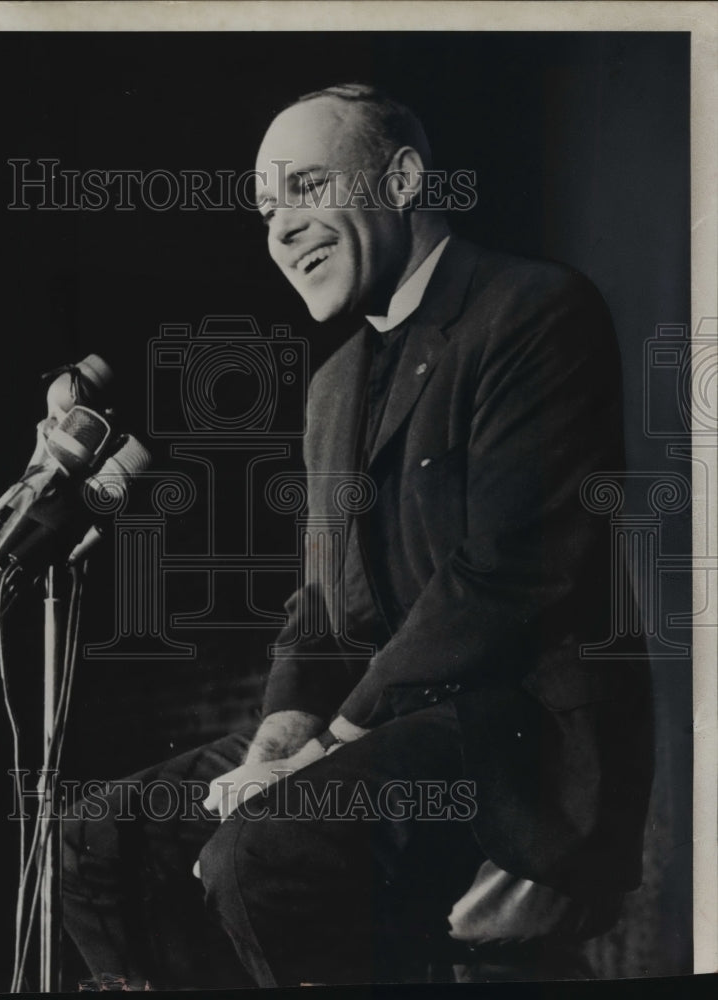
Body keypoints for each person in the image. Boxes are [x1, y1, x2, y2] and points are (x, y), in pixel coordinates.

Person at [60, 83, 654, 988]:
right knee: (101, 837)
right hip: (375, 724)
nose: (281, 231)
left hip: (508, 741)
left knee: (260, 855)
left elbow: (500, 581)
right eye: (266, 211)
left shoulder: (536, 311)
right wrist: (275, 742)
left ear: (405, 179)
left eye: (305, 188)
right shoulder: (333, 384)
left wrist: (321, 750)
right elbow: (320, 606)